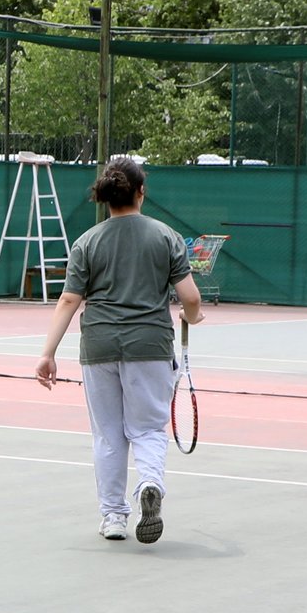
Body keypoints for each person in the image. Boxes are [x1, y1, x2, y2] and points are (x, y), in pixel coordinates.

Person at [34, 156, 204, 544]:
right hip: (150, 347)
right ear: (141, 192)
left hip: (99, 347)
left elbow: (68, 301)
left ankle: (113, 517)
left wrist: (47, 353)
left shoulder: (87, 242)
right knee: (146, 430)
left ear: (106, 198)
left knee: (108, 436)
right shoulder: (166, 237)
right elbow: (190, 299)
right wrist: (192, 317)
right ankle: (149, 484)